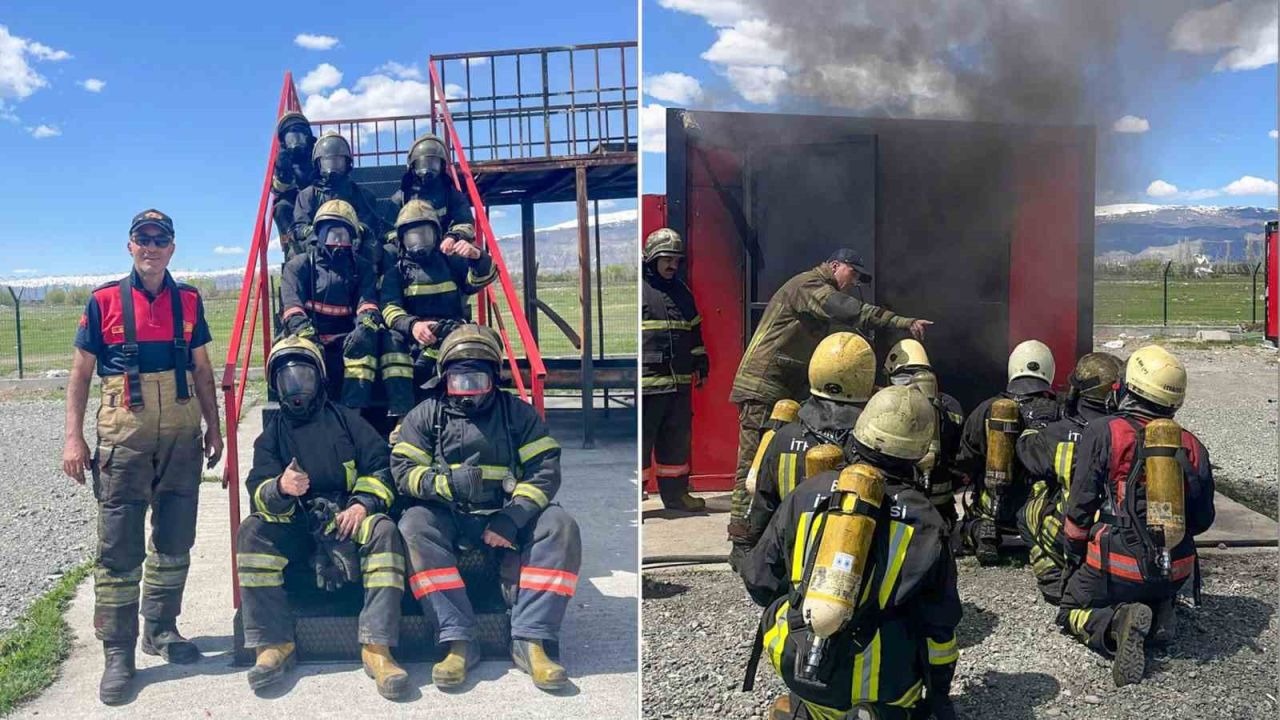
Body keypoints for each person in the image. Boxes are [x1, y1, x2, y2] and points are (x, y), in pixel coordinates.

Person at [62, 209, 224, 704]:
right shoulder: (103, 301)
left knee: (175, 540)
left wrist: (214, 428)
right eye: (142, 239)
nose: (151, 247)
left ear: (173, 247)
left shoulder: (190, 301)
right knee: (119, 549)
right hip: (123, 441)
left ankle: (161, 628)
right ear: (129, 246)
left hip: (180, 438)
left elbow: (200, 371)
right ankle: (119, 652)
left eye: (161, 239)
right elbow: (80, 375)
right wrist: (73, 438)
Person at [739, 386, 960, 720]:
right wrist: (940, 698)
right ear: (919, 454)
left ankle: (807, 707)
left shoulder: (806, 493)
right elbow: (940, 626)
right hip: (885, 689)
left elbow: (759, 581)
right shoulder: (926, 521)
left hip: (803, 674)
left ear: (859, 434)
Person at [390, 325, 580, 691]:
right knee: (413, 524)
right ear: (443, 378)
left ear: (494, 378)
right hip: (448, 515)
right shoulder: (425, 415)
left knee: (561, 525)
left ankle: (532, 640)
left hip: (504, 516)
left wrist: (512, 517)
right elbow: (402, 472)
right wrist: (445, 485)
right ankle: (458, 640)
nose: (467, 392)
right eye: (459, 381)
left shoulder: (517, 415)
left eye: (476, 380)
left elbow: (545, 469)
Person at [236, 336, 408, 698]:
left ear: (320, 379)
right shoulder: (270, 437)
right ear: (275, 386)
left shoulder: (349, 422)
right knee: (252, 532)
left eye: (304, 378)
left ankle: (378, 647)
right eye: (287, 380)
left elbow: (382, 469)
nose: (297, 389)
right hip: (300, 524)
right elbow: (257, 493)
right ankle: (273, 644)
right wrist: (280, 488)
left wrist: (362, 504)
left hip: (347, 519)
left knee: (385, 531)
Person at [727, 249, 933, 545]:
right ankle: (741, 531)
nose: (854, 282)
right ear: (835, 265)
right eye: (853, 274)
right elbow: (846, 309)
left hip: (783, 385)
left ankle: (773, 520)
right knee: (754, 456)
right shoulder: (809, 286)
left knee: (775, 454)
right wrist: (899, 322)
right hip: (764, 385)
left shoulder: (814, 292)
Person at [1057, 345, 1214, 687]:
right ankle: (1160, 607)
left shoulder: (1104, 432)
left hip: (1117, 568)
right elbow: (1202, 520)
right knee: (1154, 583)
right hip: (1175, 569)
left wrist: (1072, 553)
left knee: (1068, 608)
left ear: (1129, 388)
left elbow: (1080, 508)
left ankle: (1116, 623)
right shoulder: (1193, 445)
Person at [739, 331, 874, 551]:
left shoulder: (783, 437)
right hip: (849, 551)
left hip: (788, 550)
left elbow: (763, 508)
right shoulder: (869, 442)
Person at [1016, 352, 1122, 605]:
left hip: (1074, 536)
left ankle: (1051, 574)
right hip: (1122, 541)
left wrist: (1036, 425)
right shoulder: (1125, 431)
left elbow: (1029, 456)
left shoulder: (1060, 432)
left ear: (1078, 389)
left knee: (1026, 513)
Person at [380, 200, 497, 415]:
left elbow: (479, 281)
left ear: (436, 234)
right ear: (401, 240)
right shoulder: (395, 273)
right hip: (414, 340)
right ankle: (402, 415)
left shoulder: (451, 262)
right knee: (391, 343)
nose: (419, 242)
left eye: (424, 235)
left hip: (453, 333)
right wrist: (414, 326)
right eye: (412, 237)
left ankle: (474, 409)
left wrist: (477, 257)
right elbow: (389, 309)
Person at [957, 339, 1062, 565]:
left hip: (995, 507)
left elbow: (966, 459)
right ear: (1049, 371)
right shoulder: (1059, 411)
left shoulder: (985, 409)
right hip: (1040, 509)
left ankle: (981, 531)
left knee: (968, 523)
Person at [279, 199, 382, 408]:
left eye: (343, 235)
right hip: (309, 336)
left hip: (346, 338)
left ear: (353, 238)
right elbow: (292, 307)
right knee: (291, 354)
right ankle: (306, 415)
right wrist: (307, 336)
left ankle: (351, 414)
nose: (337, 241)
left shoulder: (361, 268)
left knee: (366, 347)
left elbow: (367, 303)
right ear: (319, 234)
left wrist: (364, 327)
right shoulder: (298, 267)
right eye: (331, 234)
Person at [640, 228, 709, 512]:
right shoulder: (641, 290)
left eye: (676, 260)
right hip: (648, 385)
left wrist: (701, 361)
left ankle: (676, 495)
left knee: (676, 442)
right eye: (666, 259)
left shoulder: (682, 292)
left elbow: (694, 332)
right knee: (642, 444)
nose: (672, 265)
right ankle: (637, 498)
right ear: (652, 259)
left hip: (679, 385)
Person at [884, 339, 966, 530]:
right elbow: (960, 452)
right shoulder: (951, 405)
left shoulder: (889, 405)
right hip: (942, 507)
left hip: (900, 505)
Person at [291, 132, 391, 262]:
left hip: (354, 245)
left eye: (337, 161)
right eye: (328, 162)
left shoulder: (361, 194)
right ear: (318, 164)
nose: (332, 167)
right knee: (297, 255)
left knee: (373, 248)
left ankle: (368, 281)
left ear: (347, 163)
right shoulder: (307, 195)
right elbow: (299, 226)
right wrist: (317, 232)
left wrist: (356, 230)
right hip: (318, 245)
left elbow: (370, 223)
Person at [389, 132, 476, 242]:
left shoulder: (451, 194)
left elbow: (465, 222)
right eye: (422, 164)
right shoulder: (401, 197)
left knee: (479, 256)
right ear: (412, 166)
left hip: (445, 249)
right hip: (410, 251)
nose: (427, 170)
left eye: (433, 164)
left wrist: (454, 236)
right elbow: (388, 228)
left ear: (442, 166)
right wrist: (399, 242)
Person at [270, 111, 317, 261]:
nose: (296, 142)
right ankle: (291, 247)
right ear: (284, 141)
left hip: (319, 196)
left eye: (300, 137)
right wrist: (283, 171)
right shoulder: (283, 158)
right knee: (281, 208)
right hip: (294, 201)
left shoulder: (318, 152)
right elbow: (277, 188)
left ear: (307, 136)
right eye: (291, 138)